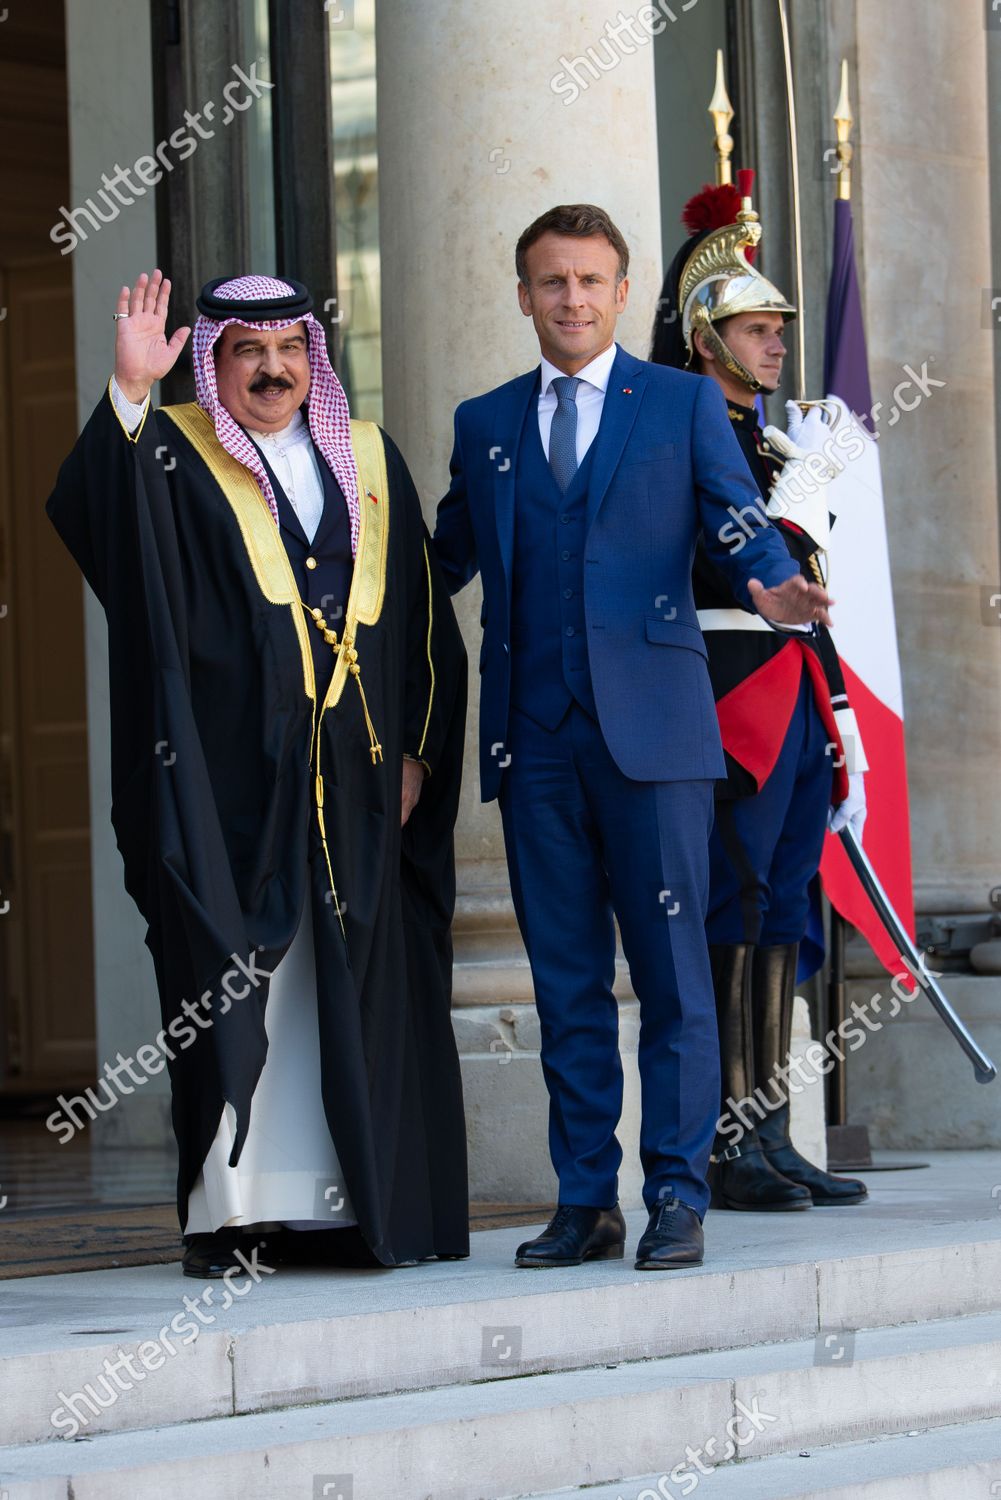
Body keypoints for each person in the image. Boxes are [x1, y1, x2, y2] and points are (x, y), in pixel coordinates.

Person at [433, 204, 833, 1271]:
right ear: (523, 295)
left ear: (619, 292)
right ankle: (583, 1202)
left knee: (669, 978)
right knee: (563, 983)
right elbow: (441, 558)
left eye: (590, 282)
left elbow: (732, 517)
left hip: (655, 740)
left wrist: (774, 588)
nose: (570, 300)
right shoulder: (485, 424)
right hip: (536, 745)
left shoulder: (678, 404)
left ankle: (674, 1194)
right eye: (550, 282)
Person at [47, 271, 469, 1276]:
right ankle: (243, 1214)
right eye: (247, 351)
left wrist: (415, 746)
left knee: (357, 980)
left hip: (362, 778)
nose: (271, 369)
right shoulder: (172, 456)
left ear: (311, 360)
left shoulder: (367, 458)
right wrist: (131, 394)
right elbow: (101, 526)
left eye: (287, 349)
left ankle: (355, 1203)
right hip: (237, 775)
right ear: (216, 363)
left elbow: (419, 620)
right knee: (243, 979)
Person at [651, 177, 867, 1210]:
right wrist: (784, 518)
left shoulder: (773, 440)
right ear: (705, 333)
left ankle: (771, 1130)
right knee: (732, 905)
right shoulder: (688, 427)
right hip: (727, 679)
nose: (776, 342)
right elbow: (704, 555)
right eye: (754, 326)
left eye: (779, 326)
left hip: (790, 688)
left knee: (783, 902)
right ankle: (726, 1139)